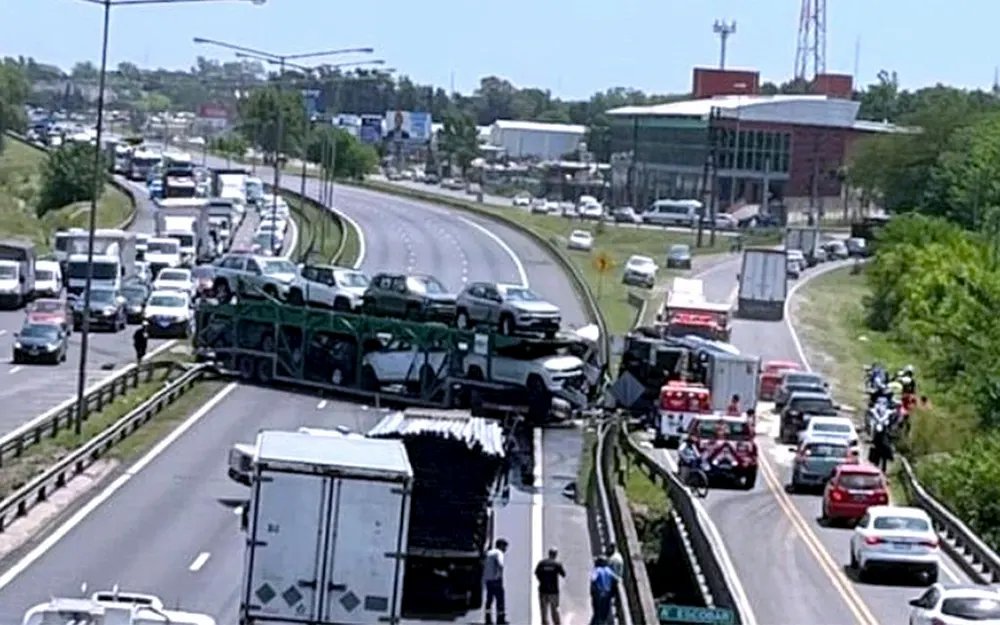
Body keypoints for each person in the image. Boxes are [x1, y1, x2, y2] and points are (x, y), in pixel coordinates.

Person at [534, 548, 566, 625]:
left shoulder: (542, 563)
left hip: (543, 590)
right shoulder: (557, 564)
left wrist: (541, 580)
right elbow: (563, 574)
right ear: (555, 554)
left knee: (544, 611)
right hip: (553, 591)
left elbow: (536, 573)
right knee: (554, 610)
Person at [483, 538, 508, 624]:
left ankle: (487, 619)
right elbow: (500, 564)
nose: (505, 549)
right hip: (496, 580)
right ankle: (500, 619)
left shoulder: (489, 553)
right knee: (500, 599)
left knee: (489, 599)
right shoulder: (499, 553)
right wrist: (499, 574)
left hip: (488, 580)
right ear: (501, 546)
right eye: (505, 547)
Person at [589, 556, 616, 625]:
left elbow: (593, 579)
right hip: (607, 594)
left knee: (597, 612)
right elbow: (616, 579)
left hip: (599, 594)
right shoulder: (609, 570)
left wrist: (592, 592)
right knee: (604, 613)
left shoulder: (597, 570)